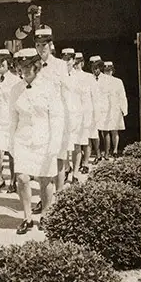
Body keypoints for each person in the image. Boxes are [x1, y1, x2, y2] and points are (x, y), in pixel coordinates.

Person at [9, 48, 64, 234]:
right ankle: (27, 217)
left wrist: (55, 144)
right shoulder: (15, 89)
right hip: (22, 139)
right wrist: (11, 144)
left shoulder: (50, 87)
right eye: (21, 66)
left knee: (45, 180)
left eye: (27, 66)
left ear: (36, 66)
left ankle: (46, 216)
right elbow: (13, 120)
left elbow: (57, 118)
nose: (24, 70)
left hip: (44, 140)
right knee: (22, 178)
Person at [33, 25, 69, 215]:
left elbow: (66, 93)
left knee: (59, 158)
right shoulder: (34, 64)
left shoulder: (60, 66)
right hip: (40, 119)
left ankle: (60, 197)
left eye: (44, 45)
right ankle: (44, 199)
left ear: (51, 45)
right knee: (42, 160)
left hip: (57, 117)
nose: (41, 48)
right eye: (38, 45)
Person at [60, 48, 91, 183]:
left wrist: (87, 117)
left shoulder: (81, 77)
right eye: (64, 59)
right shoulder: (58, 75)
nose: (67, 62)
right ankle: (67, 168)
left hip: (77, 115)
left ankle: (76, 173)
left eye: (69, 59)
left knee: (77, 145)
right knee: (64, 146)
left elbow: (85, 98)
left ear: (74, 60)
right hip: (62, 115)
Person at [0, 49, 19, 194]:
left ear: (9, 63)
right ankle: (0, 179)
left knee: (12, 153)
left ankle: (13, 181)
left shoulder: (15, 80)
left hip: (10, 121)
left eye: (2, 61)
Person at [72, 52, 94, 174]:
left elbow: (94, 96)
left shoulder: (88, 77)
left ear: (83, 63)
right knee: (76, 140)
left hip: (87, 111)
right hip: (75, 112)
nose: (76, 65)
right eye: (75, 62)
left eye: (78, 62)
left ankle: (85, 163)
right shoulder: (70, 76)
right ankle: (77, 164)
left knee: (87, 138)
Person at [102, 61, 128, 158]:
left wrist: (124, 109)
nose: (108, 72)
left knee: (114, 130)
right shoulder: (100, 81)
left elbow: (122, 95)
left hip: (115, 108)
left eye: (109, 70)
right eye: (106, 70)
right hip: (104, 109)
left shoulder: (118, 81)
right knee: (105, 131)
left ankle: (115, 150)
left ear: (112, 70)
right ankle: (106, 152)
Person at [90, 56, 112, 162]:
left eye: (97, 67)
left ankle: (107, 154)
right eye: (93, 68)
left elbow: (110, 96)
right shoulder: (89, 79)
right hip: (93, 109)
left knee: (105, 132)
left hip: (104, 109)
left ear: (101, 67)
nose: (95, 70)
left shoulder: (107, 79)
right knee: (95, 132)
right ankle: (98, 154)